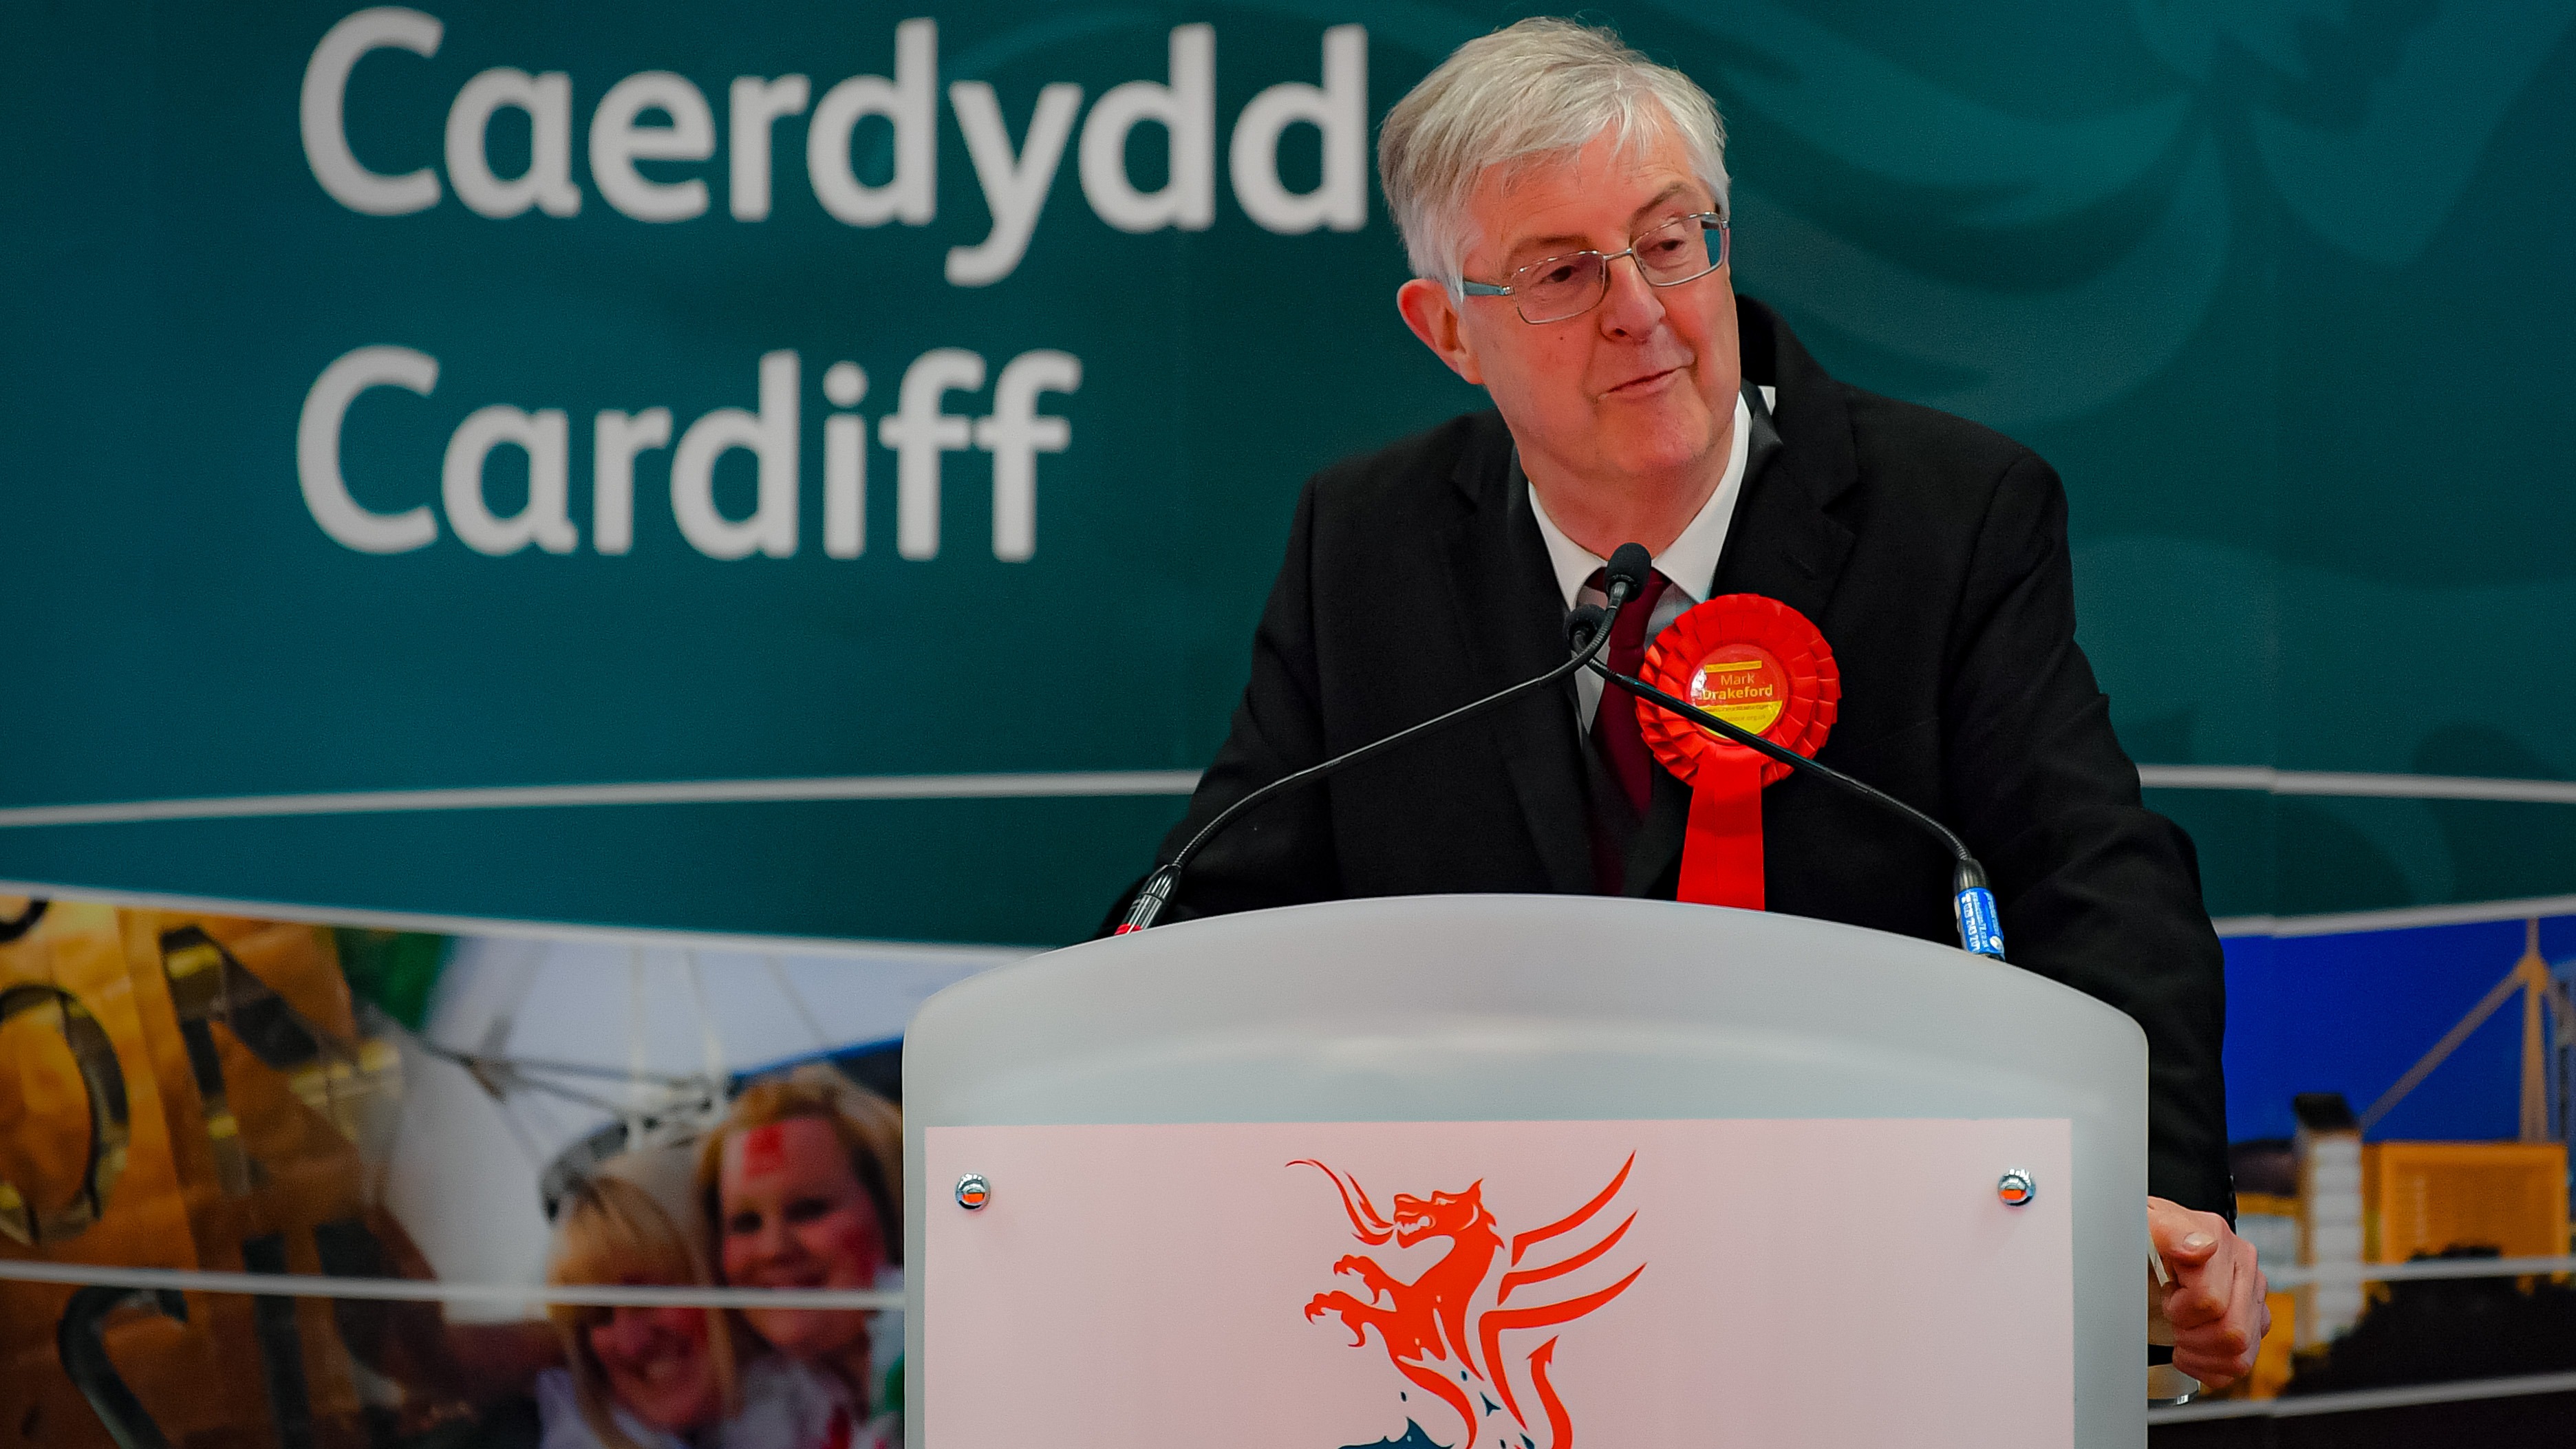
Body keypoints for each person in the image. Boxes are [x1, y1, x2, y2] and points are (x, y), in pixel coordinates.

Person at [1130, 18, 2266, 1388]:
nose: (1642, 311)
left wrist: (2152, 1211)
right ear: (1448, 333)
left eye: (1671, 242)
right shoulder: (1363, 545)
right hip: (1516, 1330)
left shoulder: (1948, 516)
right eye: (1560, 274)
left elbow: (2100, 881)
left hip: (1867, 1309)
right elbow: (1206, 919)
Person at [540, 1148, 857, 1449]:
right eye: (598, 1314)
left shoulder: (874, 1403)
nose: (631, 1343)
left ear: (725, 1275)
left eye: (647, 1296)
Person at [697, 1068, 904, 1443]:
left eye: (809, 1210)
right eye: (745, 1223)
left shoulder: (975, 1370)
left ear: (893, 1214)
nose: (774, 1249)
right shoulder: (735, 1422)